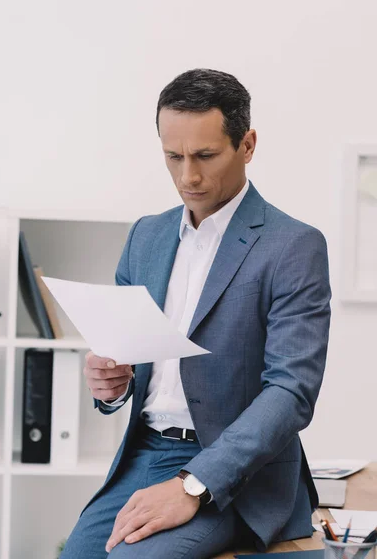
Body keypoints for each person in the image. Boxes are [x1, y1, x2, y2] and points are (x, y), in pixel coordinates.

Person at [61, 68, 331, 559]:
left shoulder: (295, 246)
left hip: (236, 473)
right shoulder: (146, 236)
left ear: (247, 145)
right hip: (143, 455)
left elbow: (292, 392)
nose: (188, 176)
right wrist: (112, 385)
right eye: (173, 156)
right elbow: (132, 359)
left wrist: (192, 484)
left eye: (206, 155)